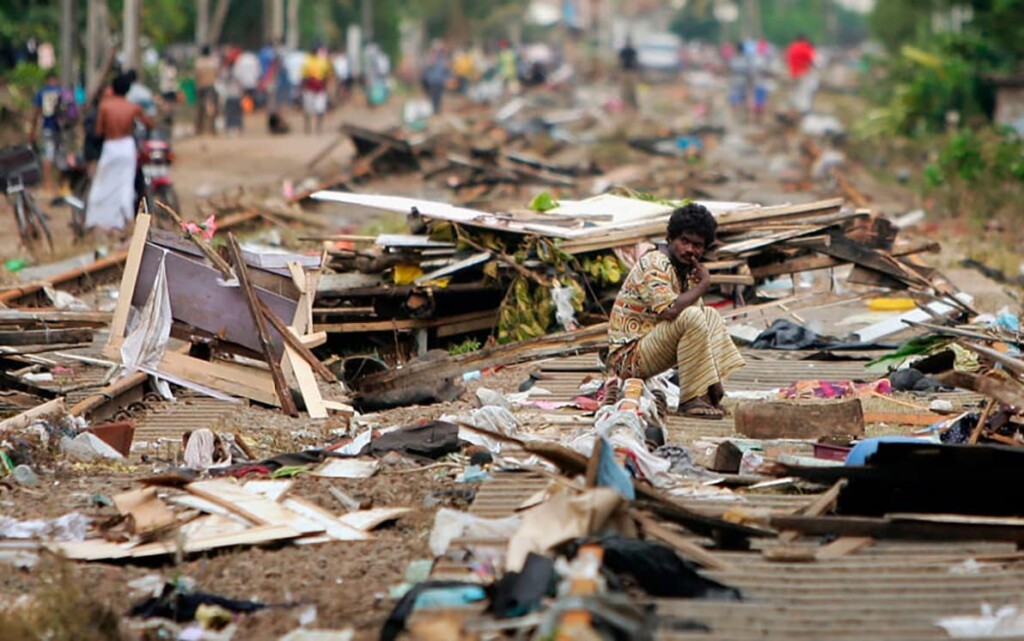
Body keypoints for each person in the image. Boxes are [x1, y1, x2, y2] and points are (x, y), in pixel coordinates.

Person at [606, 203, 745, 419]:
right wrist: (703, 285)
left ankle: (706, 395)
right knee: (691, 315)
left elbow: (702, 326)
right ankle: (689, 399)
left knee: (710, 316)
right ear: (670, 239)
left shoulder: (685, 271)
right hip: (628, 357)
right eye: (684, 241)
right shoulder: (655, 263)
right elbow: (669, 311)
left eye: (697, 245)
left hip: (651, 347)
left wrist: (714, 381)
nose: (689, 250)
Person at [85, 73, 155, 233]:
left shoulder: (105, 106)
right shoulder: (132, 107)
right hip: (126, 146)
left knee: (103, 185)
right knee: (125, 185)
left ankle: (98, 220)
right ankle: (124, 221)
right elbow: (149, 123)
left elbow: (99, 130)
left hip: (111, 146)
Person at [29, 71, 64, 194]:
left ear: (47, 80)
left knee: (48, 155)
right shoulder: (62, 91)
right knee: (60, 155)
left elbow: (36, 112)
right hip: (62, 128)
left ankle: (47, 184)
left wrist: (32, 130)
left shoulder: (42, 92)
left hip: (47, 127)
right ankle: (60, 185)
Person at [300, 45, 330, 134]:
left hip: (320, 88)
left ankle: (318, 127)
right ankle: (308, 127)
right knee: (308, 109)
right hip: (309, 87)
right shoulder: (307, 61)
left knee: (320, 109)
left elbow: (326, 75)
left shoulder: (322, 61)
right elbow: (304, 75)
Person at [786, 34, 817, 115]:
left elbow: (788, 59)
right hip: (803, 72)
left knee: (794, 92)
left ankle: (793, 109)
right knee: (804, 92)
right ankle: (803, 111)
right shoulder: (804, 47)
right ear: (803, 39)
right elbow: (812, 60)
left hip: (793, 73)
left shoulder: (791, 47)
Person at [194, 45, 219, 135]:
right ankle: (212, 128)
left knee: (200, 108)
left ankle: (199, 129)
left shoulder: (199, 62)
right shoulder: (213, 62)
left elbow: (196, 75)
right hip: (210, 86)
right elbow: (216, 74)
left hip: (201, 86)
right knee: (211, 107)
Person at [618, 37, 639, 110]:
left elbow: (635, 62)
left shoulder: (632, 51)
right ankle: (626, 104)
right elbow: (620, 62)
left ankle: (631, 104)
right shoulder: (625, 51)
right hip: (626, 71)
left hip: (629, 71)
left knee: (630, 89)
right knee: (626, 89)